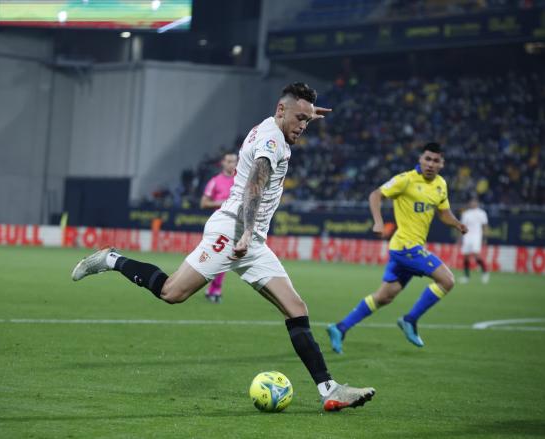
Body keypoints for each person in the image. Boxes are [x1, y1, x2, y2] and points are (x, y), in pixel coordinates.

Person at [72, 82, 375, 412]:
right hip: (233, 230)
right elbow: (254, 185)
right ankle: (111, 259)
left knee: (296, 308)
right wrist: (245, 233)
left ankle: (329, 389)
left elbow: (290, 118)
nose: (302, 126)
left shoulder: (273, 123)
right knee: (172, 292)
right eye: (299, 118)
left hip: (252, 238)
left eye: (306, 119)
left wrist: (307, 113)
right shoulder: (272, 141)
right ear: (281, 110)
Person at [327, 143, 468, 353]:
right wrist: (378, 221)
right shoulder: (406, 180)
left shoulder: (440, 184)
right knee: (447, 280)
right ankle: (410, 320)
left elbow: (443, 212)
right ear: (420, 159)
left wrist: (456, 223)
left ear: (442, 163)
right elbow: (375, 195)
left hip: (410, 248)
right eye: (427, 159)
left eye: (436, 160)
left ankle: (340, 327)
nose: (431, 164)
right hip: (405, 247)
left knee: (384, 296)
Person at [200, 152, 238, 303]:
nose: (231, 164)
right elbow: (203, 203)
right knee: (214, 258)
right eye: (228, 161)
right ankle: (212, 289)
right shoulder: (215, 181)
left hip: (235, 225)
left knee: (225, 259)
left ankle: (214, 289)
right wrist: (222, 202)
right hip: (219, 224)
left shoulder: (240, 181)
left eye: (234, 161)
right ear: (223, 163)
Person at [460, 198, 490, 284]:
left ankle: (485, 272)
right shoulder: (466, 214)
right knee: (465, 256)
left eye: (474, 202)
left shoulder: (482, 213)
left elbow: (485, 226)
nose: (472, 203)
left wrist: (485, 237)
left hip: (476, 236)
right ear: (469, 203)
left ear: (477, 203)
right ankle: (466, 277)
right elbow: (462, 226)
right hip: (467, 237)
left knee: (477, 256)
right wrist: (460, 238)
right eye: (471, 202)